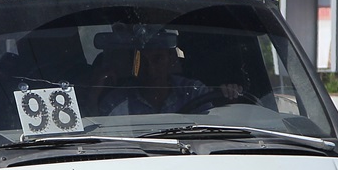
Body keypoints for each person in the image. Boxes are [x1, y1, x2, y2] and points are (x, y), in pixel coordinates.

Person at [89, 23, 238, 115]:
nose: (150, 68)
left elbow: (216, 127)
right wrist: (94, 96)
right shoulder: (116, 102)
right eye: (142, 61)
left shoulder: (193, 92)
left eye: (157, 59)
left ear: (171, 60)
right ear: (132, 65)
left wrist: (229, 96)